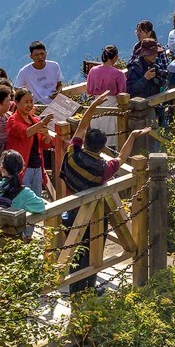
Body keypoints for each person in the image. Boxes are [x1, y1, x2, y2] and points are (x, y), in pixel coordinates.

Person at [60, 91, 151, 293]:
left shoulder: (73, 154)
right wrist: (134, 136)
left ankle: (75, 288)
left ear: (85, 143)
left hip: (71, 209)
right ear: (102, 148)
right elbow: (122, 158)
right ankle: (86, 290)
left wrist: (92, 106)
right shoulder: (103, 168)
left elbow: (82, 127)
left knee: (74, 250)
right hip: (94, 214)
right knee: (93, 251)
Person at [0, 151, 46, 236]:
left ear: (2, 168)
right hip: (11, 240)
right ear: (21, 169)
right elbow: (40, 207)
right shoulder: (24, 192)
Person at [6, 87, 54, 198]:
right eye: (26, 102)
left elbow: (46, 144)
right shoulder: (13, 120)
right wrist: (43, 122)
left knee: (35, 198)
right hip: (21, 168)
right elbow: (26, 133)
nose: (29, 105)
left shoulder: (35, 120)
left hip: (37, 165)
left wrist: (46, 134)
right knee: (22, 199)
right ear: (17, 103)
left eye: (31, 102)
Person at [126, 38, 169, 132]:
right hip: (140, 111)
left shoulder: (156, 63)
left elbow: (164, 80)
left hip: (157, 106)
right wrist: (145, 79)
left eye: (156, 52)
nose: (155, 55)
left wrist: (160, 78)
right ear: (144, 54)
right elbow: (131, 91)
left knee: (161, 133)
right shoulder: (135, 68)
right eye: (151, 53)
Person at [86, 44, 127, 137]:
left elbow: (89, 90)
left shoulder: (93, 70)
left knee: (96, 135)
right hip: (112, 107)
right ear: (115, 57)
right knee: (111, 135)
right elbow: (123, 92)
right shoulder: (118, 74)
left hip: (96, 105)